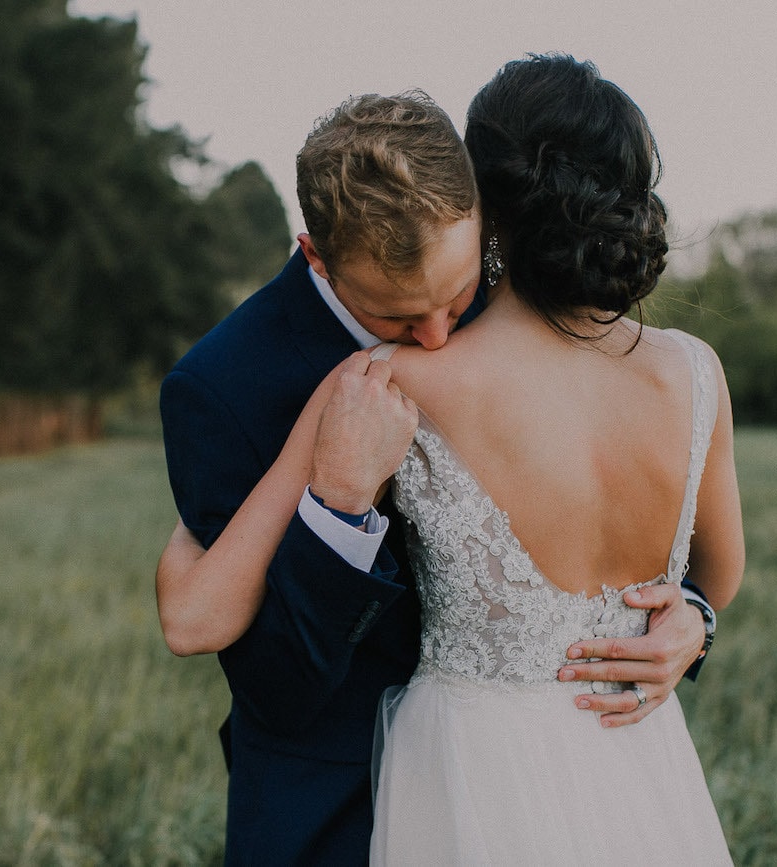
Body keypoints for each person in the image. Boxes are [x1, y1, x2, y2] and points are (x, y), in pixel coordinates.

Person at [156, 86, 720, 865]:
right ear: (313, 253)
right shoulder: (223, 387)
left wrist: (691, 617)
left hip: (566, 780)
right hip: (335, 803)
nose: (437, 334)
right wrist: (338, 501)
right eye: (397, 316)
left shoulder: (518, 286)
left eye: (456, 299)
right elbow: (273, 688)